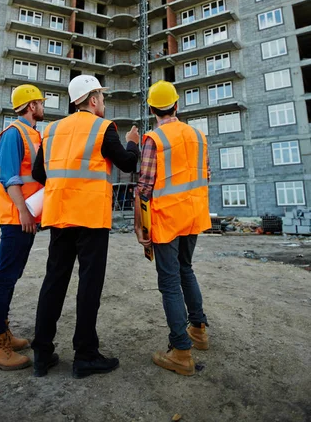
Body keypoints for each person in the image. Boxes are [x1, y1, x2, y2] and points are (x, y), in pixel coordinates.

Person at [31, 75, 140, 378]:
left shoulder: (51, 130)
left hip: (59, 215)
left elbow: (41, 173)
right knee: (88, 286)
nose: (103, 102)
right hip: (91, 217)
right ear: (92, 100)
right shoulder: (103, 128)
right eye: (102, 97)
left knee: (54, 282)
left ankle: (41, 354)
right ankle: (85, 355)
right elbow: (128, 164)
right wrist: (133, 140)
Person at [134, 80, 211, 376]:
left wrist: (140, 227)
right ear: (177, 105)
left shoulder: (154, 139)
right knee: (186, 270)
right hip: (193, 215)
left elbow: (144, 188)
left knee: (169, 282)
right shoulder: (198, 135)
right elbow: (206, 175)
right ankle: (199, 330)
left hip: (167, 219)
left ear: (152, 109)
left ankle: (180, 350)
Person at [0, 84, 46, 371]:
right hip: (16, 217)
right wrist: (23, 210)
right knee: (5, 277)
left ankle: (3, 332)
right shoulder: (14, 133)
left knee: (12, 275)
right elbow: (8, 177)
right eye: (41, 102)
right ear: (31, 106)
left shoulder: (33, 134)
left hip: (26, 215)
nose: (43, 106)